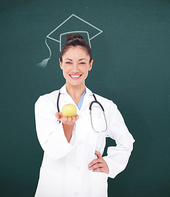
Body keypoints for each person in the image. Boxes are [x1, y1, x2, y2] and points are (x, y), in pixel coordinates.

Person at [34, 34, 135, 197]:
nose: (75, 69)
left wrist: (110, 164)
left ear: (90, 65)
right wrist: (67, 126)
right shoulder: (46, 103)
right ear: (60, 64)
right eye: (68, 62)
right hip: (55, 189)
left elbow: (126, 142)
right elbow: (53, 151)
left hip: (92, 188)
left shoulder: (106, 106)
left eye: (82, 62)